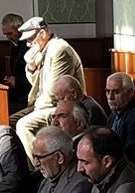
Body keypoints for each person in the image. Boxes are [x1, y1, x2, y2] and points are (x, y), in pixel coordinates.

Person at [13, 15, 85, 151]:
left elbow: (54, 92)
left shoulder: (59, 49)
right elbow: (36, 85)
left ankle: (39, 165)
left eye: (30, 39)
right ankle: (26, 165)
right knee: (10, 121)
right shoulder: (44, 49)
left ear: (42, 33)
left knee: (24, 125)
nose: (28, 44)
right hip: (43, 104)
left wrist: (35, 110)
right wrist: (31, 67)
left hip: (62, 106)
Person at [1, 11, 30, 109]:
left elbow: (38, 77)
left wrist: (16, 81)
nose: (8, 38)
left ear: (20, 29)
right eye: (6, 34)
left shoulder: (31, 46)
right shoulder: (15, 47)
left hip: (28, 95)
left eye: (10, 33)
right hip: (18, 93)